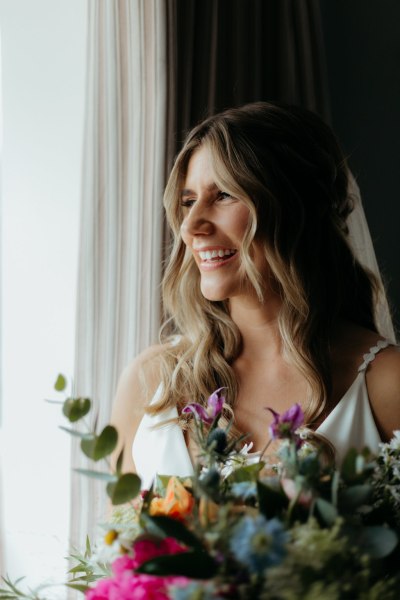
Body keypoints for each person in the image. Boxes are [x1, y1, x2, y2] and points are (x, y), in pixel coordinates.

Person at [111, 102, 400, 488]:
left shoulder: (386, 384)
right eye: (188, 201)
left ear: (293, 209)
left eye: (225, 195)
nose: (192, 226)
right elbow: (122, 542)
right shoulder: (148, 382)